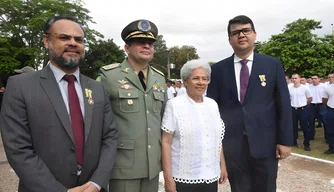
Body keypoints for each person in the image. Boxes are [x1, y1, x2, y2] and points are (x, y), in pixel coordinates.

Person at [0, 15, 118, 192]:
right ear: (46, 41)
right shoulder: (20, 86)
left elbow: (110, 136)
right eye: (64, 37)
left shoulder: (97, 88)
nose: (73, 43)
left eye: (78, 39)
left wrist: (97, 182)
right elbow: (18, 148)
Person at [207, 15, 293, 192]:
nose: (241, 35)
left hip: (265, 143)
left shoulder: (272, 65)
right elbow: (212, 110)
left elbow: (283, 104)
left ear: (254, 34)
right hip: (232, 145)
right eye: (235, 32)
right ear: (229, 39)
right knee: (239, 189)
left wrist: (285, 141)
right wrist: (216, 148)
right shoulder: (218, 69)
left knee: (267, 187)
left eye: (246, 30)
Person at [97, 19, 167, 192]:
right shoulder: (109, 76)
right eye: (140, 42)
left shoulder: (159, 78)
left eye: (150, 43)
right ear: (126, 48)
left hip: (152, 165)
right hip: (123, 165)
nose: (147, 46)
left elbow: (163, 118)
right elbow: (96, 119)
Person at [162, 62, 228, 192]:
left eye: (205, 79)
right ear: (185, 81)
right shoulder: (174, 105)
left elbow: (216, 139)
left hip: (210, 176)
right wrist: (168, 178)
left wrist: (222, 165)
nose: (201, 82)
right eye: (196, 78)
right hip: (183, 178)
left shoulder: (212, 104)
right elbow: (166, 142)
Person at [289, 74, 312, 151]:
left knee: (305, 127)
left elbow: (309, 98)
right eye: (293, 78)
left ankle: (306, 144)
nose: (294, 80)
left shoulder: (305, 88)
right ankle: (293, 141)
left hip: (302, 109)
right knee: (293, 127)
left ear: (299, 79)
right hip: (293, 109)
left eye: (296, 78)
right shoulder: (289, 88)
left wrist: (304, 105)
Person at [308, 75, 327, 140]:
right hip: (312, 105)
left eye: (315, 78)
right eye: (312, 78)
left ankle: (327, 137)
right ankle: (311, 136)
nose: (313, 80)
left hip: (321, 105)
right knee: (311, 121)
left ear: (319, 79)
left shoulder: (324, 86)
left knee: (325, 121)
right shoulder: (308, 87)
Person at [323, 73, 334, 154]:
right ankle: (331, 148)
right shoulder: (327, 88)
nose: (330, 78)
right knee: (330, 130)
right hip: (331, 110)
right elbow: (324, 99)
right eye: (329, 77)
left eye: (332, 77)